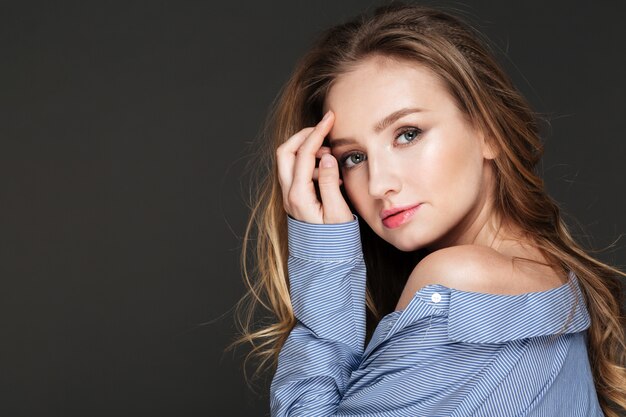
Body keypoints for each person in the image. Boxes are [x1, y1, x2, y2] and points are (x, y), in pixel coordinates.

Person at [230, 3, 626, 416]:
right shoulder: (549, 279)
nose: (380, 184)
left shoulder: (459, 282)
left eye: (408, 134)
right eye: (353, 157)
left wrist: (325, 260)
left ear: (488, 131)